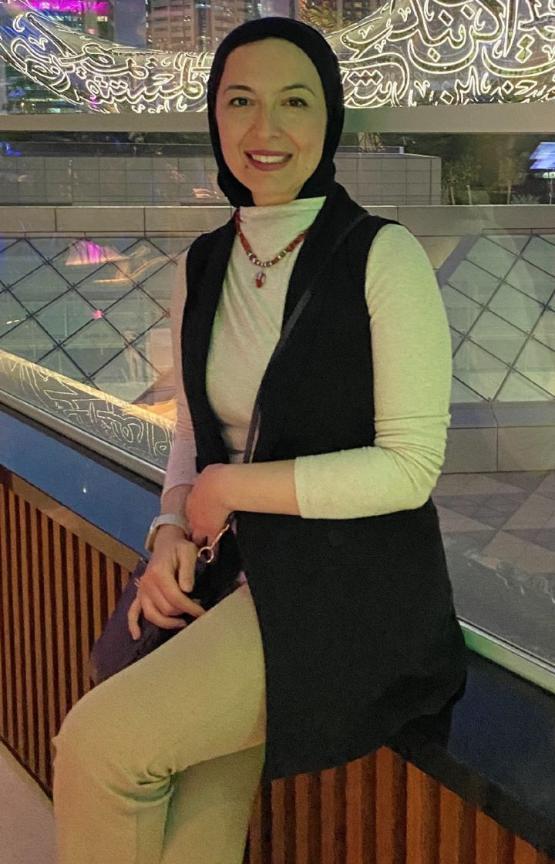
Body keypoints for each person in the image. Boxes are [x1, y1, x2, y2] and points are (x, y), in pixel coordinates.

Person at [51, 16, 468, 864]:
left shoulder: (381, 257)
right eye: (239, 101)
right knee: (195, 818)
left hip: (348, 590)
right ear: (214, 117)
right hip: (238, 573)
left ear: (330, 120)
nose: (264, 128)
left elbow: (409, 468)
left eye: (293, 101)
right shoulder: (203, 263)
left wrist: (233, 491)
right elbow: (193, 445)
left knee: (102, 747)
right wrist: (168, 530)